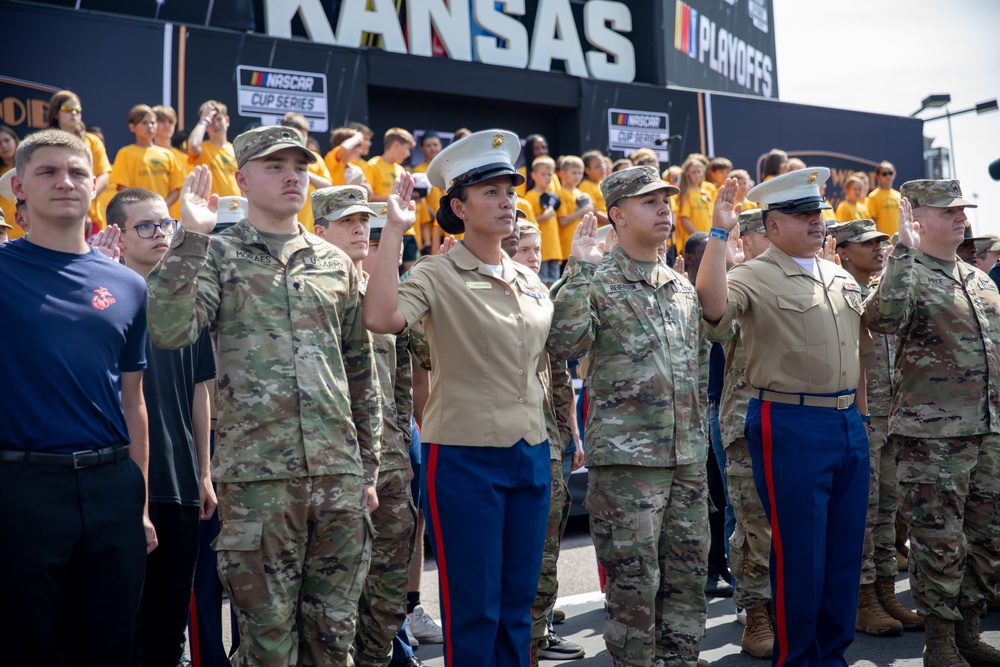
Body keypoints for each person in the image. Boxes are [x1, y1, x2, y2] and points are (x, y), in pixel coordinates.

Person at [146, 126, 379, 666]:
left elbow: (359, 371)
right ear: (244, 179)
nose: (292, 175)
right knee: (267, 645)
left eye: (299, 165)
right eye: (275, 166)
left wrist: (367, 470)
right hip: (258, 480)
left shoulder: (334, 261)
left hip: (338, 478)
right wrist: (191, 239)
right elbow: (167, 329)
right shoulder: (215, 255)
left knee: (333, 641)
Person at [364, 129, 552, 667]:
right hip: (467, 456)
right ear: (458, 206)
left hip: (532, 451)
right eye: (490, 192)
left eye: (509, 191)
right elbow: (380, 318)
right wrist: (394, 236)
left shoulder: (529, 279)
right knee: (475, 607)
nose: (506, 201)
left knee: (519, 604)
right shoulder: (437, 273)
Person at [696, 168, 870, 667]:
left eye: (817, 212)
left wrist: (861, 418)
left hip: (846, 422)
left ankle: (832, 654)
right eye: (801, 215)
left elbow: (859, 349)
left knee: (842, 556)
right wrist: (719, 234)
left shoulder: (836, 272)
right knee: (802, 556)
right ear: (772, 226)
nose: (816, 222)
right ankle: (799, 659)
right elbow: (712, 308)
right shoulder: (753, 273)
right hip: (791, 423)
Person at [0, 128, 155, 666]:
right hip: (21, 491)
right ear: (18, 185)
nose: (65, 182)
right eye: (47, 172)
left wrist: (137, 505)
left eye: (77, 172)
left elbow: (133, 402)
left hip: (113, 490)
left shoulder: (128, 285)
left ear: (95, 184)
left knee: (110, 649)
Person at [549, 166, 710, 666]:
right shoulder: (594, 279)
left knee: (686, 582)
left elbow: (697, 371)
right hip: (627, 466)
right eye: (649, 202)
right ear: (616, 215)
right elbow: (564, 343)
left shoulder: (682, 289)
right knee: (634, 591)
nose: (665, 208)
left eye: (666, 199)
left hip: (686, 459)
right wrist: (577, 269)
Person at [863, 180, 1000, 667]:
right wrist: (901, 249)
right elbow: (883, 319)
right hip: (931, 436)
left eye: (963, 209)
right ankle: (939, 642)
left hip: (987, 431)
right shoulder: (906, 270)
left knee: (986, 540)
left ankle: (968, 631)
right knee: (938, 540)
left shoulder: (980, 279)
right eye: (948, 211)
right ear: (917, 218)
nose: (961, 217)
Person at [98, 188, 219, 667]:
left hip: (182, 483)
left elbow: (200, 392)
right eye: (145, 226)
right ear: (120, 238)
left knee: (170, 628)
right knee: (123, 627)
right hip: (122, 485)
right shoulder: (104, 301)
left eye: (166, 224)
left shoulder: (187, 302)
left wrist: (205, 472)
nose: (160, 234)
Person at [312, 187, 420, 667]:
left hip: (389, 465)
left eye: (364, 220)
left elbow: (399, 387)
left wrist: (396, 444)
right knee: (332, 590)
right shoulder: (310, 299)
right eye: (346, 222)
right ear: (319, 233)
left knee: (390, 582)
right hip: (335, 464)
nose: (360, 229)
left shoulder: (378, 293)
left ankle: (377, 658)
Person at [830, 219, 923, 637]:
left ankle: (885, 592)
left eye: (882, 242)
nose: (879, 248)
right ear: (843, 251)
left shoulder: (880, 289)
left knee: (886, 512)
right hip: (858, 419)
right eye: (868, 243)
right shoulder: (836, 289)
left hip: (889, 418)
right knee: (862, 515)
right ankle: (861, 598)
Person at [713, 207, 775, 659]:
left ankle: (788, 610)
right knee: (753, 526)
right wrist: (729, 266)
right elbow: (716, 325)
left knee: (791, 526)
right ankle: (755, 615)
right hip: (746, 420)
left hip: (793, 421)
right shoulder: (738, 282)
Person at [47, 90, 112, 234]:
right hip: (56, 217)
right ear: (56, 113)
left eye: (77, 109)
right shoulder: (46, 143)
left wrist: (85, 203)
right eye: (67, 109)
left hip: (91, 218)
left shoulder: (93, 141)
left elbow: (104, 176)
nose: (73, 113)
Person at [109, 104, 185, 208]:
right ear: (132, 127)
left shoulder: (167, 154)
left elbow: (176, 188)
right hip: (139, 215)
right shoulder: (125, 153)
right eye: (144, 123)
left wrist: (162, 207)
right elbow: (123, 188)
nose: (150, 127)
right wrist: (141, 208)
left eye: (153, 123)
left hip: (163, 217)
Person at [281, 112, 333, 232]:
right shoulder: (274, 158)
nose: (299, 140)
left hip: (310, 226)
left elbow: (329, 186)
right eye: (294, 135)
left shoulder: (315, 159)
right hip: (282, 227)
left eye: (303, 136)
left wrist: (304, 173)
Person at [187, 100, 240, 197]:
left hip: (236, 207)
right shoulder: (203, 149)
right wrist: (204, 120)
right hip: (210, 208)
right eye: (211, 121)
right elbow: (193, 144)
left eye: (219, 119)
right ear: (206, 126)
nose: (216, 124)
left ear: (227, 121)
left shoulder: (236, 150)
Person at [524, 155, 563, 285]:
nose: (547, 178)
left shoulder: (553, 196)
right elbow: (528, 222)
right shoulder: (530, 196)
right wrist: (543, 217)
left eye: (549, 174)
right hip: (540, 249)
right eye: (543, 174)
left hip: (554, 248)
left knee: (554, 283)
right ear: (533, 175)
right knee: (540, 282)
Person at [555, 154, 596, 261]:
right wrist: (583, 210)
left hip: (582, 245)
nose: (577, 176)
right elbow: (563, 220)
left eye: (580, 173)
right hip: (566, 246)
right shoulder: (560, 194)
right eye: (574, 173)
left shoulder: (580, 193)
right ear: (562, 173)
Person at [865, 161, 901, 236]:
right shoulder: (873, 196)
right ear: (878, 176)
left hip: (899, 239)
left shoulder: (899, 195)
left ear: (894, 173)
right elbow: (872, 221)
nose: (888, 176)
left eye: (890, 173)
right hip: (883, 240)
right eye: (884, 174)